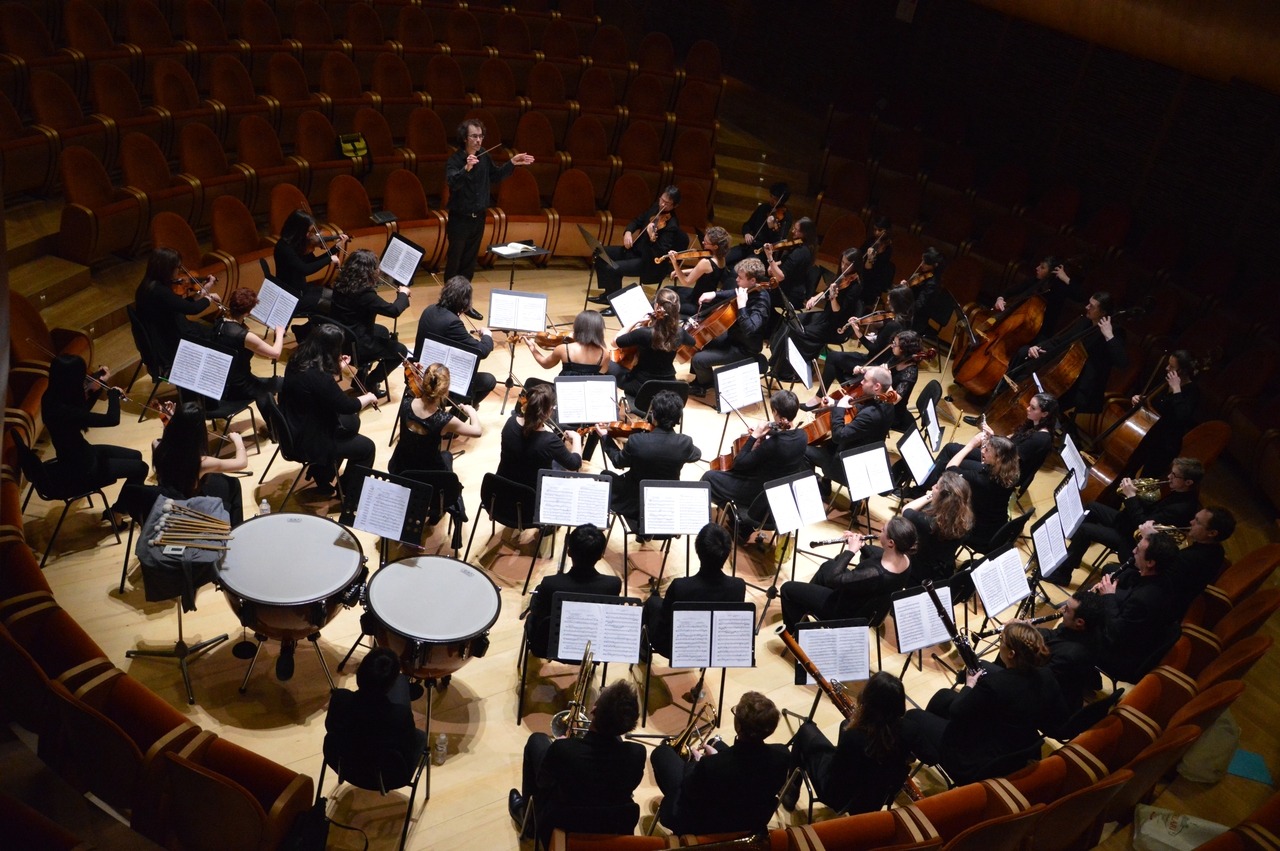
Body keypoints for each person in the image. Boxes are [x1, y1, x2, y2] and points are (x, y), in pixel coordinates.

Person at [902, 622, 1067, 785]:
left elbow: (957, 711)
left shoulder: (995, 684)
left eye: (1001, 640)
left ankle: (918, 755)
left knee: (913, 716)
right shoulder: (1046, 676)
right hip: (1017, 745)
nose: (1000, 643)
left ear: (1011, 654)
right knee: (943, 696)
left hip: (977, 759)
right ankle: (927, 746)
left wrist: (970, 684)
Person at [510, 680, 645, 843]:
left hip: (564, 824)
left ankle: (529, 821)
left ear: (594, 709)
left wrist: (562, 748)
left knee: (536, 740)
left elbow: (543, 783)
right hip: (611, 824)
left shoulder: (563, 750)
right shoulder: (637, 754)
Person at [1046, 456, 1202, 586]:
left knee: (1086, 530)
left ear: (1188, 482)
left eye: (1174, 475)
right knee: (1092, 507)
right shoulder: (1177, 492)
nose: (1169, 477)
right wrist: (1138, 493)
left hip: (1131, 541)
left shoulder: (1182, 507)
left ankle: (1063, 574)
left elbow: (1142, 525)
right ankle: (1066, 549)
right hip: (1126, 524)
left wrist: (1131, 497)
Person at [650, 691, 790, 836]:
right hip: (750, 820)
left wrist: (697, 762)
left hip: (705, 824)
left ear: (739, 727)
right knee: (714, 742)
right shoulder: (783, 755)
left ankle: (677, 823)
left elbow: (690, 789)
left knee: (662, 753)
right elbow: (745, 770)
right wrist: (717, 758)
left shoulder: (710, 766)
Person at [41, 355, 150, 525]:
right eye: (81, 376)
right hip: (82, 467)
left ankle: (123, 506)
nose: (84, 379)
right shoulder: (63, 411)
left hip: (78, 454)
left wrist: (99, 388)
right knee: (141, 468)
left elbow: (82, 415)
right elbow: (112, 420)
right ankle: (117, 512)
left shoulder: (51, 397)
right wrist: (113, 395)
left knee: (136, 456)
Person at [782, 671, 910, 815]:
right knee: (845, 724)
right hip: (874, 800)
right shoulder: (905, 732)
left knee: (806, 730)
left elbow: (835, 774)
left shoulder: (854, 737)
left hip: (838, 797)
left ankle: (791, 789)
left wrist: (846, 741)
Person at [279, 323, 378, 497]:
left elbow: (319, 389)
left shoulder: (297, 359)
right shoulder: (319, 377)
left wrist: (337, 365)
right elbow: (346, 406)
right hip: (308, 440)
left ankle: (322, 473)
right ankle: (349, 491)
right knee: (367, 448)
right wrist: (368, 397)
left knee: (353, 423)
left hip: (295, 423)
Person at [779, 516, 917, 632]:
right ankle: (804, 608)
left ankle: (798, 635)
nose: (880, 529)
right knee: (826, 567)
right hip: (869, 609)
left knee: (787, 589)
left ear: (891, 543)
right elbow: (874, 560)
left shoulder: (876, 574)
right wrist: (862, 546)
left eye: (884, 530)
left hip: (844, 612)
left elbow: (833, 579)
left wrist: (851, 550)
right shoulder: (905, 560)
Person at [701, 390, 809, 532]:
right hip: (779, 490)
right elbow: (784, 434)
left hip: (757, 493)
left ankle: (739, 520)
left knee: (709, 478)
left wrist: (754, 436)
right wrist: (767, 432)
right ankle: (740, 524)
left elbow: (739, 463)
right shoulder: (803, 436)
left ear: (775, 411)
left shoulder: (773, 445)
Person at [445, 118, 535, 290]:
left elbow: (495, 176)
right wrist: (466, 169)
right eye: (474, 136)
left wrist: (512, 163)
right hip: (460, 220)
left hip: (478, 218)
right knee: (455, 261)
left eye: (480, 136)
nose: (478, 140)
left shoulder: (484, 156)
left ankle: (463, 299)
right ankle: (448, 298)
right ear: (465, 138)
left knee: (469, 262)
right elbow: (452, 183)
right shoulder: (455, 160)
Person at [1012, 292, 1128, 421]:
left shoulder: (1115, 331)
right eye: (1088, 303)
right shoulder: (1085, 322)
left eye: (1092, 306)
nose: (1087, 307)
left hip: (1082, 386)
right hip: (1063, 375)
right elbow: (1059, 341)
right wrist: (1038, 347)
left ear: (1103, 312)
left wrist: (1109, 336)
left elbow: (1122, 362)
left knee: (1044, 400)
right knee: (1024, 358)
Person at [597, 390, 701, 529]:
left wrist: (606, 438)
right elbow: (696, 454)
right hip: (667, 504)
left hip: (635, 502)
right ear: (678, 418)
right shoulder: (684, 443)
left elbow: (617, 461)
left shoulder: (637, 441)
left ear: (654, 414)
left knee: (604, 476)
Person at [324, 647, 427, 785]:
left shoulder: (339, 698)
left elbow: (330, 727)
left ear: (360, 673)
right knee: (421, 737)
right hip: (387, 777)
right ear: (390, 685)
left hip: (342, 764)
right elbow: (407, 746)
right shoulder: (399, 715)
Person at [641, 522, 744, 658]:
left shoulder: (680, 587)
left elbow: (664, 622)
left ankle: (643, 650)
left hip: (675, 648)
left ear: (697, 550)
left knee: (652, 602)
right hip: (715, 649)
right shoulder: (738, 586)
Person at [1093, 530, 1181, 682]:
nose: (1133, 551)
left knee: (1078, 627)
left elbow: (1116, 634)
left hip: (1121, 658)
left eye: (1138, 550)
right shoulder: (1163, 580)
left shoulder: (1144, 599)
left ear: (1150, 563)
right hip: (1134, 638)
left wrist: (1108, 596)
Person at [525, 524, 621, 656]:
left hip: (547, 647)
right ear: (600, 556)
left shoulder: (550, 584)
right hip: (592, 650)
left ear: (569, 552)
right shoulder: (613, 585)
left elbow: (537, 613)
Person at [804, 365, 896, 501]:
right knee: (825, 443)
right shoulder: (886, 404)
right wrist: (835, 403)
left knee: (802, 449)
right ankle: (828, 485)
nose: (861, 382)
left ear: (877, 386)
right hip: (863, 454)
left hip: (846, 465)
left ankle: (820, 488)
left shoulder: (870, 415)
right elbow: (858, 407)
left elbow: (838, 436)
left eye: (865, 380)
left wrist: (839, 408)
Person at [329, 247, 411, 398]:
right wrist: (403, 295)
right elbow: (393, 310)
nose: (378, 270)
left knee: (383, 331)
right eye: (376, 268)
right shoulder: (365, 294)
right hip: (357, 346)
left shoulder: (340, 284)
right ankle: (370, 381)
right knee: (401, 351)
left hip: (340, 338)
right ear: (368, 271)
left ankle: (360, 378)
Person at [687, 257, 774, 397]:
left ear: (752, 281)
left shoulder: (761, 303)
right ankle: (700, 379)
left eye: (740, 278)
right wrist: (714, 294)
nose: (737, 280)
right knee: (700, 341)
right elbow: (734, 292)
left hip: (744, 349)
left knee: (698, 359)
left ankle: (706, 383)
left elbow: (750, 329)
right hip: (733, 338)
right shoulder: (748, 289)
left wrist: (742, 306)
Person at [590, 185, 684, 313]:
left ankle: (615, 306)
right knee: (600, 252)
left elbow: (660, 252)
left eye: (667, 203)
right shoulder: (654, 208)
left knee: (613, 268)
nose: (662, 204)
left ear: (675, 206)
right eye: (661, 199)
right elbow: (637, 221)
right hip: (634, 251)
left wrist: (652, 238)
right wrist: (628, 232)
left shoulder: (672, 225)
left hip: (648, 262)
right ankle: (608, 295)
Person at [152, 402, 249, 525]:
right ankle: (236, 528)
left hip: (169, 494)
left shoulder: (157, 445)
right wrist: (238, 441)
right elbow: (241, 463)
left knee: (218, 479)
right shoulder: (202, 462)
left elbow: (173, 436)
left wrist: (172, 418)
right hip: (189, 503)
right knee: (233, 484)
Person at [414, 276, 498, 406]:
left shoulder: (429, 310)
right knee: (489, 381)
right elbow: (481, 351)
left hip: (418, 373)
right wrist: (487, 336)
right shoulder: (452, 322)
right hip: (435, 382)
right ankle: (459, 414)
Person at [388, 362, 481, 476]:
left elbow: (410, 384)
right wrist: (472, 412)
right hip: (427, 472)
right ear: (445, 390)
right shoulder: (444, 420)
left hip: (400, 465)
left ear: (423, 381)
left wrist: (413, 372)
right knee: (447, 455)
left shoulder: (406, 401)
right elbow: (477, 432)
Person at [133, 247, 220, 368]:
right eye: (177, 267)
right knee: (216, 337)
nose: (179, 271)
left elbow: (180, 305)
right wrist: (209, 299)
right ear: (167, 269)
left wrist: (203, 292)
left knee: (209, 332)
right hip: (169, 342)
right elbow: (192, 309)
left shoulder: (148, 285)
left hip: (166, 332)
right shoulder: (160, 291)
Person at [819, 284, 915, 390]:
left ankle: (821, 396)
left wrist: (859, 333)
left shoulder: (893, 324)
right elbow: (886, 342)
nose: (887, 302)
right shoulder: (906, 321)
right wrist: (875, 337)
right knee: (835, 358)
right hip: (882, 360)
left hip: (875, 363)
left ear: (897, 302)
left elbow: (874, 349)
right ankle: (849, 388)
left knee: (833, 357)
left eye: (890, 300)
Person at [207, 287, 284, 417]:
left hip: (221, 383)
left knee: (266, 387)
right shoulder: (243, 335)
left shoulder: (219, 324)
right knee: (282, 383)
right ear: (248, 312)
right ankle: (277, 426)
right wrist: (280, 334)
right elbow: (275, 353)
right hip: (240, 387)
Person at [1126, 349, 1201, 479]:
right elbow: (1153, 403)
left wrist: (1177, 389)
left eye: (1171, 366)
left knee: (1147, 478)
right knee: (1130, 468)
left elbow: (1182, 416)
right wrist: (1140, 399)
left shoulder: (1192, 391)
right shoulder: (1165, 381)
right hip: (1147, 433)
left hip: (1165, 444)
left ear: (1181, 371)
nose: (1167, 368)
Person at [956, 393, 1058, 488]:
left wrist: (989, 441)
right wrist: (992, 436)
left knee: (959, 462)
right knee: (953, 449)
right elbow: (1009, 439)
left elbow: (1010, 458)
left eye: (1033, 408)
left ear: (1044, 414)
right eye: (1029, 405)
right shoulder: (1032, 423)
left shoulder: (1040, 439)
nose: (1027, 409)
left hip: (1006, 473)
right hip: (1001, 459)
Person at [608, 287, 695, 397]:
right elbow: (692, 342)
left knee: (606, 360)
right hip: (669, 385)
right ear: (677, 309)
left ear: (656, 306)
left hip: (641, 386)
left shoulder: (643, 333)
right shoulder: (680, 333)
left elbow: (614, 342)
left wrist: (636, 321)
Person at [496, 383, 583, 491]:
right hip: (529, 499)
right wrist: (577, 438)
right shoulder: (550, 441)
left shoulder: (510, 422)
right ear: (549, 411)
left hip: (499, 490)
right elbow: (575, 464)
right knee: (559, 467)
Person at [1152, 506, 1234, 619]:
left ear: (1212, 533)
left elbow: (1156, 580)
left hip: (1160, 606)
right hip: (1173, 595)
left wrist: (1150, 541)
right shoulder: (1218, 551)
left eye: (1197, 522)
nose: (1191, 522)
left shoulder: (1189, 559)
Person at [941, 431, 1019, 546]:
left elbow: (949, 470)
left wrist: (970, 445)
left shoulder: (982, 481)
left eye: (987, 450)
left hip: (980, 532)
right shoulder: (1012, 473)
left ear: (997, 459)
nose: (982, 451)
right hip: (998, 524)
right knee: (965, 463)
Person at [899, 471, 974, 583]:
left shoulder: (927, 522)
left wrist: (930, 496)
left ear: (943, 497)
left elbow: (906, 510)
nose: (933, 486)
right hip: (944, 573)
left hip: (919, 572)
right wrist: (936, 494)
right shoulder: (967, 519)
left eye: (937, 487)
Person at [1041, 591, 1109, 712]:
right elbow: (1056, 634)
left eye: (1067, 609)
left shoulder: (1070, 654)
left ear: (1079, 622)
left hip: (1054, 701)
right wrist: (1029, 628)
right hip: (1065, 679)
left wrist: (1018, 636)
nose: (1062, 610)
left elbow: (1040, 678)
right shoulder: (1091, 628)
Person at [274, 209, 345, 314]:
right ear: (298, 230)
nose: (309, 235)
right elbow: (305, 269)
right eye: (307, 231)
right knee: (335, 307)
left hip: (303, 289)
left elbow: (313, 261)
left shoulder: (298, 244)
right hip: (293, 297)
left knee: (339, 298)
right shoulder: (284, 248)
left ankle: (309, 327)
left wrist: (335, 249)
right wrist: (330, 259)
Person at [994, 255, 1082, 340]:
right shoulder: (1035, 281)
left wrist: (1065, 278)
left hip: (1040, 334)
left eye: (1042, 267)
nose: (1037, 268)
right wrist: (1000, 299)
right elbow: (1010, 291)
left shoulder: (1059, 289)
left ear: (1051, 272)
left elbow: (1079, 296)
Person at [725, 181, 792, 270]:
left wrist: (771, 227)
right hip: (749, 246)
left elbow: (779, 242)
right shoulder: (763, 208)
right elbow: (747, 225)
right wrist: (747, 233)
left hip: (762, 254)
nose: (771, 201)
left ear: (782, 200)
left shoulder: (786, 217)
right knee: (722, 259)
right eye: (771, 196)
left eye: (775, 199)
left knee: (741, 270)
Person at [523, 310, 609, 376]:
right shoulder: (604, 353)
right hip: (587, 395)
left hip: (564, 394)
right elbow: (601, 374)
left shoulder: (564, 349)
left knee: (530, 382)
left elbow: (545, 364)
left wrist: (532, 348)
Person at [669, 225, 730, 316]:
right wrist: (684, 271)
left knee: (667, 298)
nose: (703, 242)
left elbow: (686, 282)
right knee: (669, 289)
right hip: (707, 300)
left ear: (715, 247)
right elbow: (702, 270)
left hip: (696, 303)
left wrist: (675, 263)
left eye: (706, 242)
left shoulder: (705, 262)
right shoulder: (722, 258)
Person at [763, 216, 817, 317]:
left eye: (796, 230)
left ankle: (769, 321)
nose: (792, 231)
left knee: (760, 292)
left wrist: (770, 258)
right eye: (794, 228)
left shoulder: (800, 252)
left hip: (788, 293)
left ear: (804, 233)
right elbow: (786, 262)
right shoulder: (805, 245)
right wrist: (775, 265)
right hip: (789, 285)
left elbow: (781, 277)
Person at [857, 216, 895, 310]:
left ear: (886, 231)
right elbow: (858, 255)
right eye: (875, 229)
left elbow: (877, 271)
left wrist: (870, 259)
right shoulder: (870, 241)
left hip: (874, 280)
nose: (876, 232)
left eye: (880, 230)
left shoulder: (888, 249)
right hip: (864, 274)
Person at [906, 246, 946, 335]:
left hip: (917, 319)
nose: (921, 264)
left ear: (935, 265)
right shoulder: (924, 275)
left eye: (926, 263)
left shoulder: (933, 284)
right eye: (922, 261)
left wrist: (903, 307)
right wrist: (907, 285)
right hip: (911, 312)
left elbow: (919, 305)